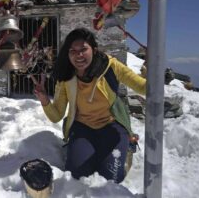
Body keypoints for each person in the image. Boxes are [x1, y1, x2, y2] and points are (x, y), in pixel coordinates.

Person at [31, 28, 146, 183]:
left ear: (94, 50)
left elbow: (145, 88)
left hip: (112, 126)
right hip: (82, 129)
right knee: (77, 176)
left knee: (111, 177)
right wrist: (44, 99)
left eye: (83, 49)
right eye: (73, 51)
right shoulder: (66, 77)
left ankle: (127, 146)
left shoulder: (110, 67)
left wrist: (151, 67)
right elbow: (56, 115)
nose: (79, 55)